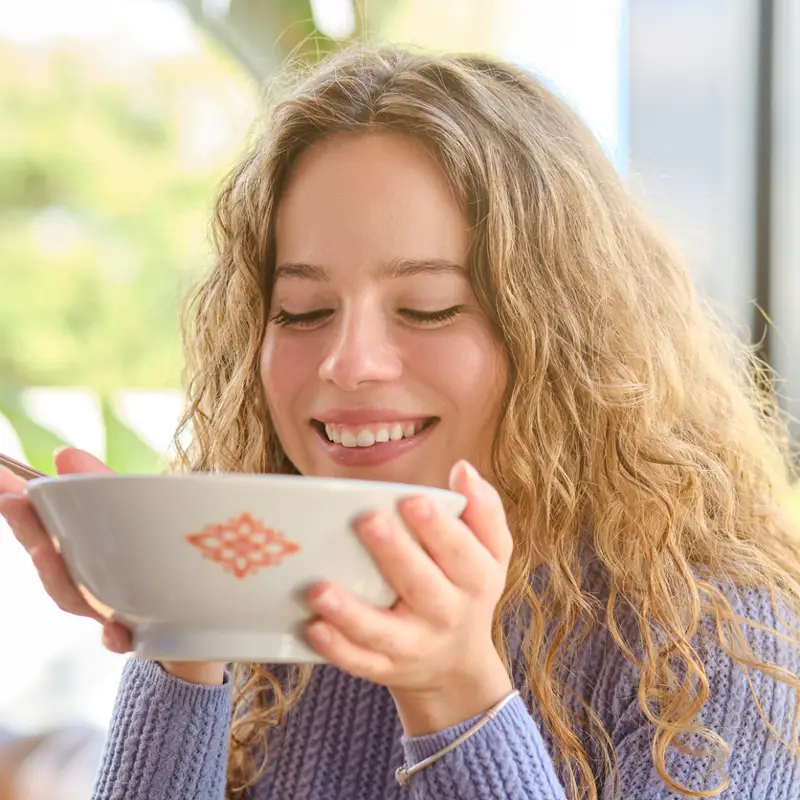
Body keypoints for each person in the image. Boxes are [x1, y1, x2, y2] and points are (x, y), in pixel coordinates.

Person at [1, 44, 800, 800]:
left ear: (566, 337)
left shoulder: (724, 645)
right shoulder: (275, 589)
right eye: (303, 310)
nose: (348, 364)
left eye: (428, 308)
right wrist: (177, 623)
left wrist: (455, 691)